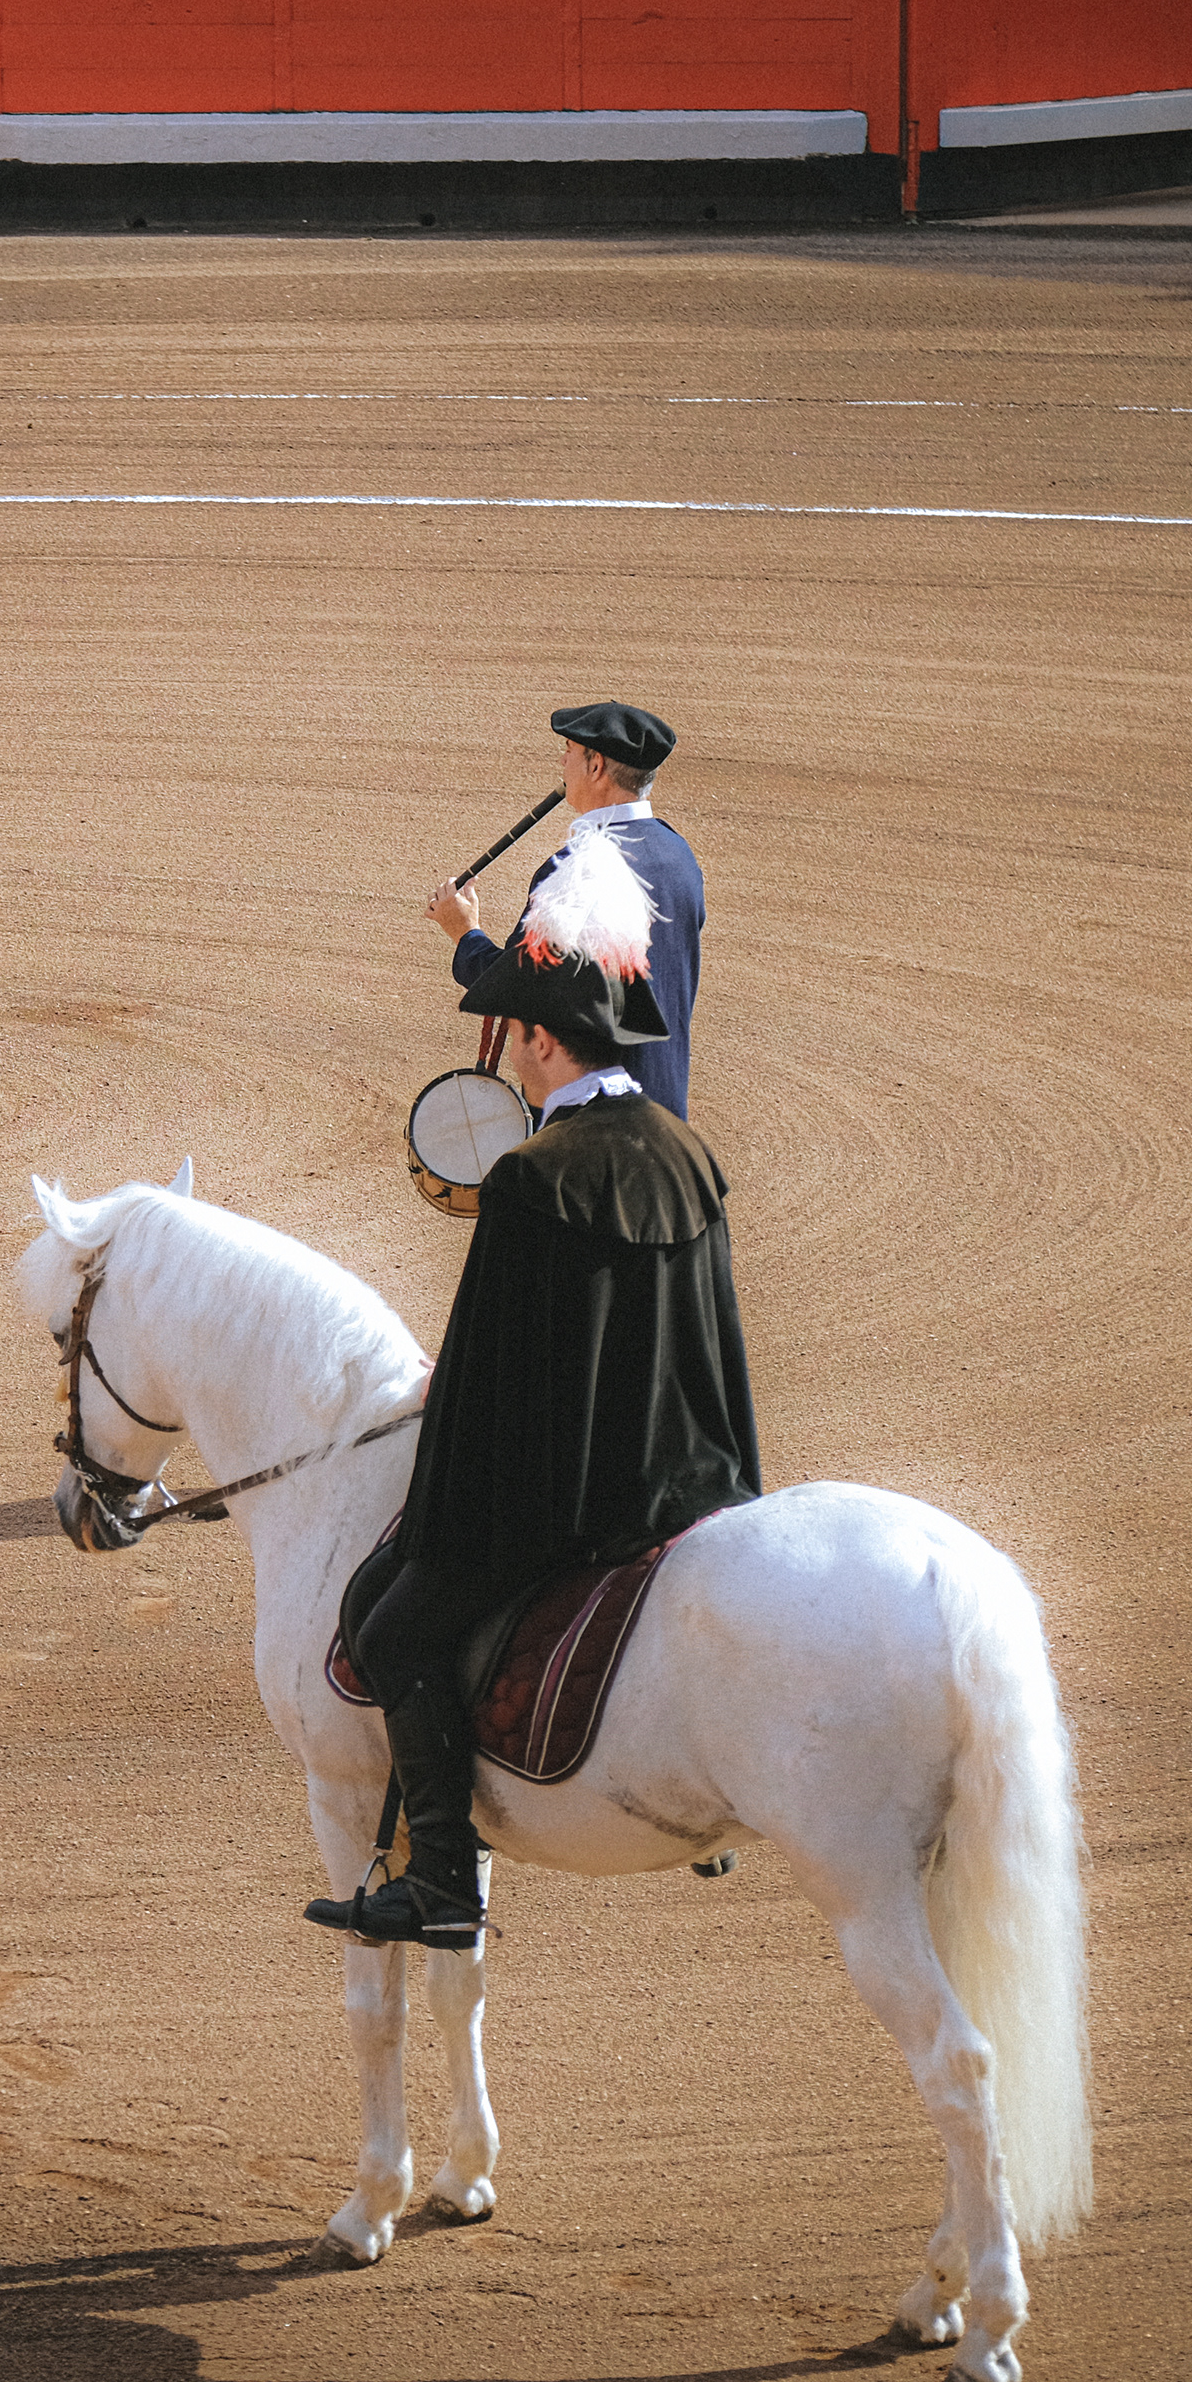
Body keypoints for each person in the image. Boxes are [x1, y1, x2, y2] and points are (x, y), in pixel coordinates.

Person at [311, 832, 763, 1950]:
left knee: (394, 1624)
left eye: (513, 1030)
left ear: (544, 1042)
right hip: (697, 1481)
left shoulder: (533, 1175)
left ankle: (445, 1885)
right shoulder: (680, 1148)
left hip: (578, 1499)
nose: (505, 1047)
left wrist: (438, 1428)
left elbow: (493, 1374)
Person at [429, 702, 705, 1118]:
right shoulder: (678, 855)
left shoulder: (576, 869)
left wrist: (464, 932)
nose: (562, 759)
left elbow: (523, 989)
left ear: (596, 767)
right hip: (664, 1113)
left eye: (570, 749)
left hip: (590, 1120)